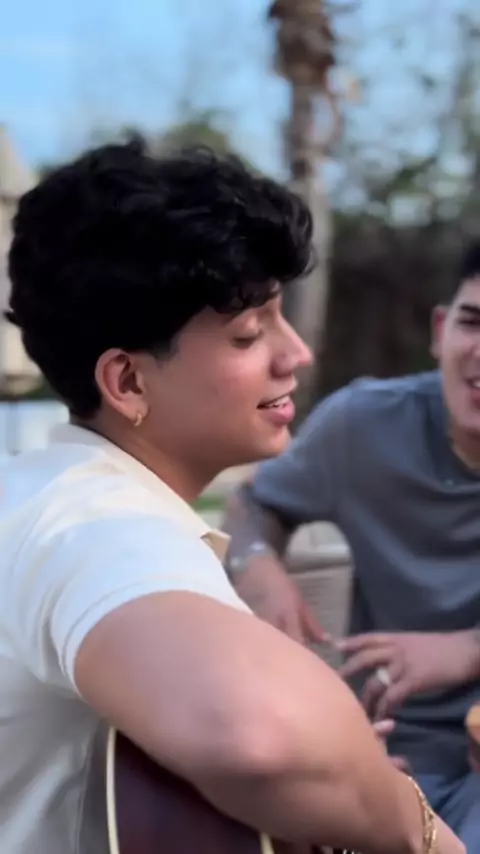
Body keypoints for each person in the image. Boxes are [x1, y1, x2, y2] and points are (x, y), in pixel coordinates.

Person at [0, 137, 460, 854]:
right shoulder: (96, 522)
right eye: (249, 334)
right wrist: (419, 829)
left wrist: (336, 767)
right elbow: (255, 737)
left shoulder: (34, 491)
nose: (296, 353)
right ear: (127, 382)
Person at [223, 242, 480, 850]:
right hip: (388, 752)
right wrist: (259, 569)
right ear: (441, 331)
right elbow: (253, 505)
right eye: (473, 323)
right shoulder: (362, 425)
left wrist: (469, 650)